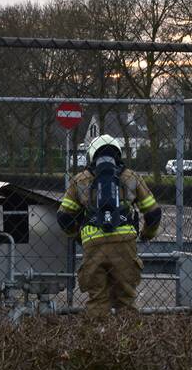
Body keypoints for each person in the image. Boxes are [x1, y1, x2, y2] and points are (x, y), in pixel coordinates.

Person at [57, 135, 162, 315]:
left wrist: (79, 237)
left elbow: (64, 217)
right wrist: (146, 234)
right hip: (124, 242)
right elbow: (153, 212)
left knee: (97, 299)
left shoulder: (80, 180)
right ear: (118, 154)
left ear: (91, 155)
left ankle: (98, 339)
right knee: (126, 300)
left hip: (92, 244)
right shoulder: (132, 177)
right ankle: (130, 340)